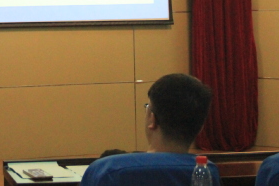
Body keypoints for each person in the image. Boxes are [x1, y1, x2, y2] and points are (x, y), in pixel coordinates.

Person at [81, 73, 215, 185]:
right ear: (201, 127)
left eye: (147, 107)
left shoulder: (107, 170)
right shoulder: (208, 172)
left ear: (152, 119)